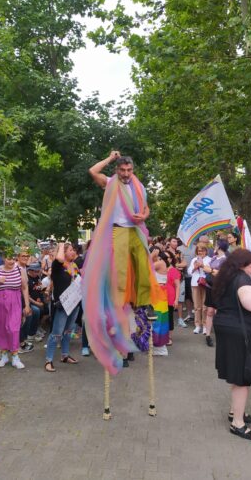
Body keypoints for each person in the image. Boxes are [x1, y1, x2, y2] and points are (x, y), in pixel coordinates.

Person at [83, 151, 158, 374]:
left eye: (129, 170)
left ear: (133, 170)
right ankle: (118, 302)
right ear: (117, 170)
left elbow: (146, 208)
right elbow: (92, 171)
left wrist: (143, 216)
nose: (126, 174)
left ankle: (145, 303)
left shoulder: (139, 186)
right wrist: (109, 158)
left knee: (144, 266)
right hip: (117, 231)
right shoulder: (110, 182)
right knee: (121, 275)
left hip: (135, 229)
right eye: (122, 170)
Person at [213, 249, 251, 441]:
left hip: (229, 330)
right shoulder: (242, 280)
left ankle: (235, 411)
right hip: (238, 334)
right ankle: (237, 423)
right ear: (241, 266)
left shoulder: (228, 277)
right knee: (242, 378)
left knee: (239, 374)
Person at [0, 251, 31, 369]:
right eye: (9, 258)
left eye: (13, 258)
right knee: (2, 329)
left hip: (15, 302)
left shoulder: (20, 270)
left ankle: (15, 356)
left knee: (13, 329)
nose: (11, 261)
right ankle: (4, 356)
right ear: (3, 259)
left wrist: (27, 305)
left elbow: (25, 288)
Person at [45, 241, 79, 372]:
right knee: (56, 333)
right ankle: (48, 360)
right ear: (63, 252)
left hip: (74, 303)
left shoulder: (74, 265)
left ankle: (65, 356)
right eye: (70, 250)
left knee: (68, 332)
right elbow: (59, 258)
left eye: (73, 250)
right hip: (63, 305)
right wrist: (60, 245)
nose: (73, 252)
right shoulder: (58, 266)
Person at [203, 241, 229, 346]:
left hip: (219, 289)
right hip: (210, 287)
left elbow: (222, 274)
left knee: (218, 312)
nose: (214, 246)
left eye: (215, 245)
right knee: (209, 311)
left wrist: (210, 270)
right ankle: (208, 335)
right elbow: (206, 269)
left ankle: (220, 335)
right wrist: (210, 270)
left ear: (219, 247)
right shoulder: (214, 257)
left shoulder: (225, 260)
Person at [150, 247, 169, 355]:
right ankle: (157, 345)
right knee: (157, 319)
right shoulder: (158, 263)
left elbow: (146, 267)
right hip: (157, 294)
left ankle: (159, 346)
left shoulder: (160, 263)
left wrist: (152, 255)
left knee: (159, 319)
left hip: (159, 295)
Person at [188, 244, 211, 334]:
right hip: (195, 284)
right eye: (199, 251)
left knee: (205, 306)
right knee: (197, 306)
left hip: (205, 284)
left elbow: (210, 270)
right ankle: (197, 325)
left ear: (206, 251)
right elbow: (189, 272)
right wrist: (195, 267)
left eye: (202, 250)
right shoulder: (194, 259)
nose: (200, 252)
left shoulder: (209, 259)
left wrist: (202, 266)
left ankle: (205, 325)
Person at [167, 237, 187, 328]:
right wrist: (177, 267)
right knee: (168, 298)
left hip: (180, 278)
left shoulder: (179, 252)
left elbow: (185, 264)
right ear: (169, 242)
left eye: (176, 241)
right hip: (168, 279)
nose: (175, 243)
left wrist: (175, 266)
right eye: (173, 241)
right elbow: (166, 265)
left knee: (180, 299)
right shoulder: (166, 253)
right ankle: (168, 318)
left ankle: (180, 318)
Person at [166, 252, 181, 346]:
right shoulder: (161, 269)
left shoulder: (174, 270)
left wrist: (176, 299)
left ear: (171, 259)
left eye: (167, 257)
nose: (165, 259)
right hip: (160, 297)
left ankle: (169, 337)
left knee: (169, 317)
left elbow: (178, 286)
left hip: (170, 297)